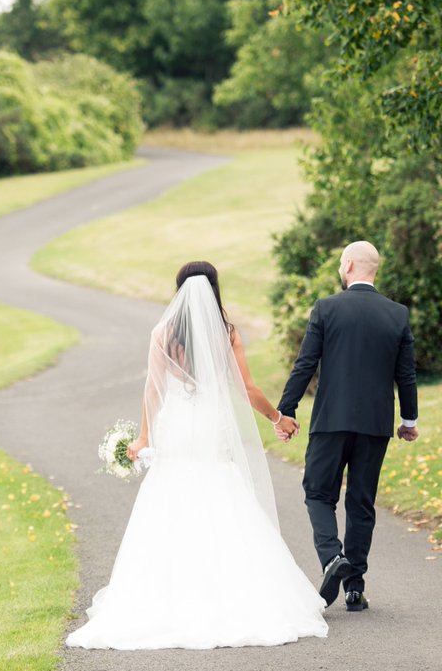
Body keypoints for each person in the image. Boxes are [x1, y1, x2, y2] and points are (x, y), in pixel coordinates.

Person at [65, 261, 327, 650]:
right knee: (222, 495)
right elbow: (246, 389)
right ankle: (234, 594)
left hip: (178, 425)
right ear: (214, 290)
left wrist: (143, 437)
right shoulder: (227, 334)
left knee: (172, 498)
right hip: (211, 424)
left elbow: (153, 391)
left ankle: (168, 597)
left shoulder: (163, 332)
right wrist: (277, 417)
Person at [275, 241, 419, 613]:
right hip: (375, 424)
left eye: (342, 263)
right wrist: (408, 420)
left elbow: (304, 364)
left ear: (350, 266)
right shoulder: (397, 314)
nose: (341, 268)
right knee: (360, 502)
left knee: (318, 493)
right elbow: (406, 374)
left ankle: (331, 558)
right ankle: (354, 587)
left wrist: (285, 411)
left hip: (331, 421)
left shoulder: (326, 308)